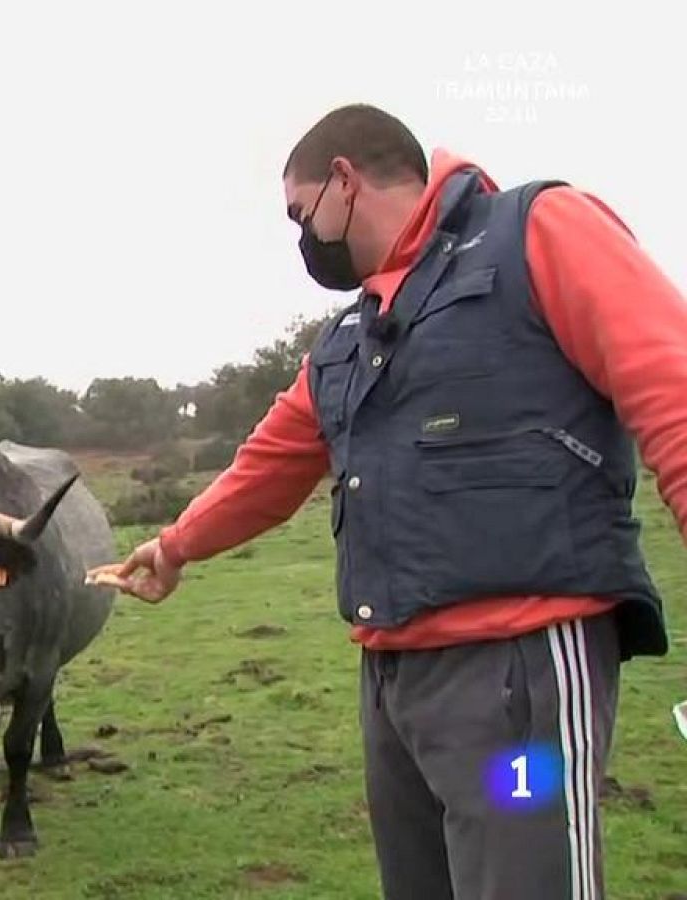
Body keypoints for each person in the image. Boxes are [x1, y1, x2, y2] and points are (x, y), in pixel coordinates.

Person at [92, 103, 685, 899]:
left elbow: (672, 389)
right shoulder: (352, 338)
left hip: (519, 677)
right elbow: (269, 465)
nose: (302, 238)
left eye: (300, 214)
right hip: (394, 685)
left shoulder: (541, 231)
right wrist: (174, 546)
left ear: (344, 181)